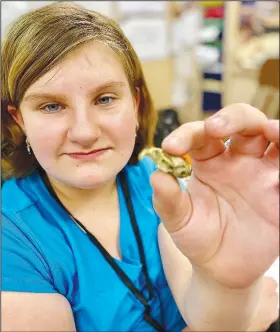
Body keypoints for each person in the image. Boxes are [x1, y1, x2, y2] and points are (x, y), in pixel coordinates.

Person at [1, 2, 279, 331]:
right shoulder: (13, 235)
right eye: (51, 106)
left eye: (104, 99)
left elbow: (210, 317)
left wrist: (230, 287)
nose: (85, 132)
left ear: (135, 105)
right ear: (19, 120)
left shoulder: (153, 182)